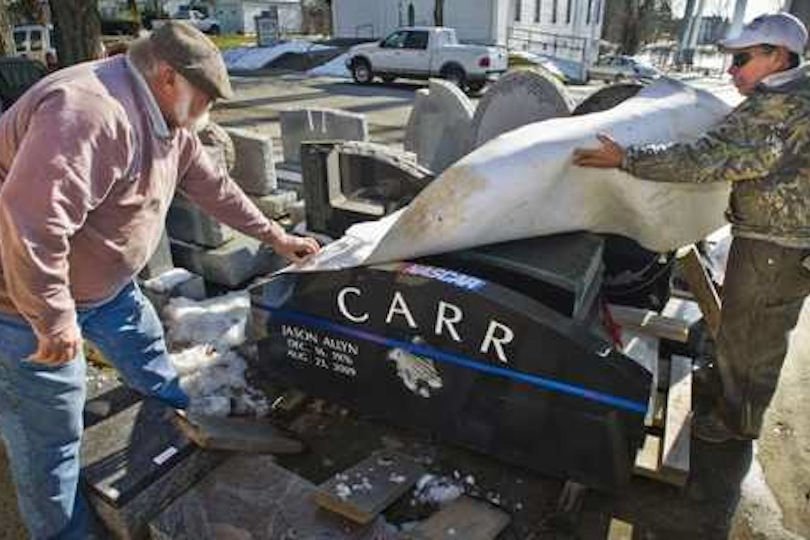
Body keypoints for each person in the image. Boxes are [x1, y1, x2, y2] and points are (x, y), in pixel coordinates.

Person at [0, 22, 319, 539]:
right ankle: (65, 533)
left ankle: (183, 430)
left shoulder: (167, 120)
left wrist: (278, 238)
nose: (210, 110)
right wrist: (53, 320)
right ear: (168, 77)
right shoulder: (90, 114)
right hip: (21, 304)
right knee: (49, 437)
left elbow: (215, 188)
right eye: (206, 97)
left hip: (108, 291)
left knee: (150, 358)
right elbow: (30, 222)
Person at [573, 12, 810, 444]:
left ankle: (738, 422)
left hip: (776, 246)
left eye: (741, 59)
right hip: (778, 239)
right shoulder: (792, 96)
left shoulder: (777, 110)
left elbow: (702, 159)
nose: (731, 70)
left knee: (753, 338)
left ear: (777, 57)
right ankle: (730, 394)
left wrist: (625, 158)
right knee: (749, 328)